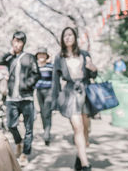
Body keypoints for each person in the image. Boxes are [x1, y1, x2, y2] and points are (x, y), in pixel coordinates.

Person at [51, 27, 98, 171]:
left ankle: (80, 157)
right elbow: (56, 80)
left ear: (75, 37)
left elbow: (93, 76)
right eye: (65, 35)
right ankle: (85, 165)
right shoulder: (59, 57)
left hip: (85, 91)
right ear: (62, 39)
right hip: (70, 93)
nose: (68, 37)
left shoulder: (84, 54)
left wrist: (93, 69)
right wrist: (56, 101)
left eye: (70, 35)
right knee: (78, 128)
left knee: (85, 129)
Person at [0, 31, 40, 167]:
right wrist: (10, 53)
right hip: (12, 99)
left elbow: (36, 74)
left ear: (23, 43)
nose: (17, 44)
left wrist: (27, 84)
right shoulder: (10, 58)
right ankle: (18, 142)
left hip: (26, 98)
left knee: (28, 127)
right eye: (15, 41)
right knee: (11, 125)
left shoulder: (30, 57)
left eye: (19, 41)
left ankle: (25, 153)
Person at [34, 47, 53, 146]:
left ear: (46, 56)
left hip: (49, 91)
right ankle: (46, 130)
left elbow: (56, 79)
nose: (41, 56)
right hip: (39, 91)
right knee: (42, 112)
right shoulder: (35, 67)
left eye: (43, 54)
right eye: (39, 54)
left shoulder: (51, 66)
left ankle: (47, 133)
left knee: (47, 112)